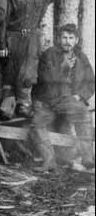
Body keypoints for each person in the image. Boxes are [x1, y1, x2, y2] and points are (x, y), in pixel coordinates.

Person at [0, 0, 70, 119]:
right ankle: (8, 104)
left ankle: (24, 102)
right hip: (14, 35)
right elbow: (4, 19)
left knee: (29, 70)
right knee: (12, 68)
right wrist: (3, 43)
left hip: (33, 36)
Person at [30, 24, 95, 173]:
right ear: (58, 39)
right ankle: (49, 162)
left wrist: (80, 95)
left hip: (67, 100)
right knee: (36, 125)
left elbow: (91, 81)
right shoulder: (49, 54)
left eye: (71, 38)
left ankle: (88, 158)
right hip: (46, 99)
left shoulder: (81, 57)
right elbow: (44, 79)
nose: (67, 41)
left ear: (76, 40)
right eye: (64, 37)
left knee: (84, 114)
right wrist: (63, 67)